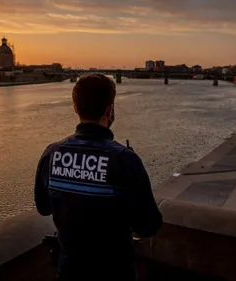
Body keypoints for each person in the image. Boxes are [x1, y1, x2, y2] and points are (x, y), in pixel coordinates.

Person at [34, 74, 162, 281]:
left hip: (69, 271)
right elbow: (148, 225)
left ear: (75, 108)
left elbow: (44, 207)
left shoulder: (52, 154)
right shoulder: (124, 159)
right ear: (109, 110)